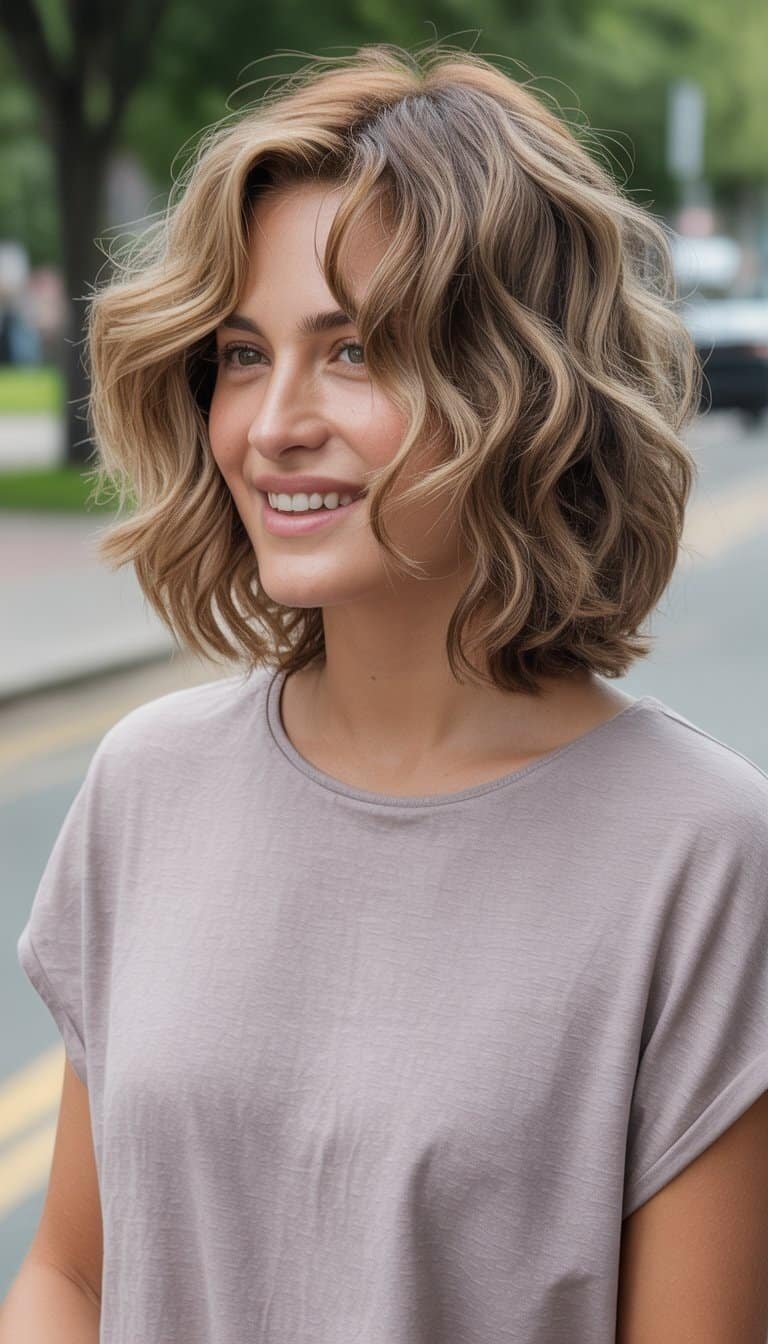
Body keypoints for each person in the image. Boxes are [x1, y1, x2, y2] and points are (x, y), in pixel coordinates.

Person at [8, 40, 768, 1344]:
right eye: (242, 353)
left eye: (353, 350)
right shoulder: (146, 782)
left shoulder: (703, 858)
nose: (271, 422)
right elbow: (72, 1274)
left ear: (520, 386)